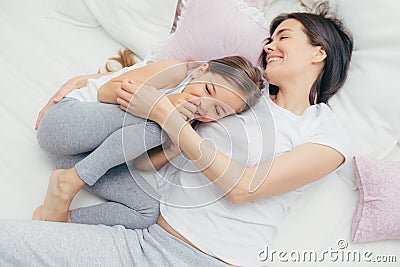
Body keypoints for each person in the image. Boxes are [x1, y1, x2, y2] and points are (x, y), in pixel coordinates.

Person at [0, 5, 353, 267]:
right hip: (144, 243)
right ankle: (58, 213)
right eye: (270, 39)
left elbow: (245, 188)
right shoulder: (242, 97)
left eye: (284, 37)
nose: (270, 47)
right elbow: (174, 79)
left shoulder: (324, 132)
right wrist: (85, 84)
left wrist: (167, 117)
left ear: (319, 51)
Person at [33, 55, 264, 226]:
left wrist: (173, 149)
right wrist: (165, 105)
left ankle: (57, 217)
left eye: (218, 110)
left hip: (78, 158)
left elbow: (141, 163)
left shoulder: (191, 125)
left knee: (148, 212)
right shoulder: (175, 72)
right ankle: (69, 183)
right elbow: (105, 92)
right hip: (63, 125)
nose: (204, 104)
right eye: (207, 89)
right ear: (200, 71)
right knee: (160, 123)